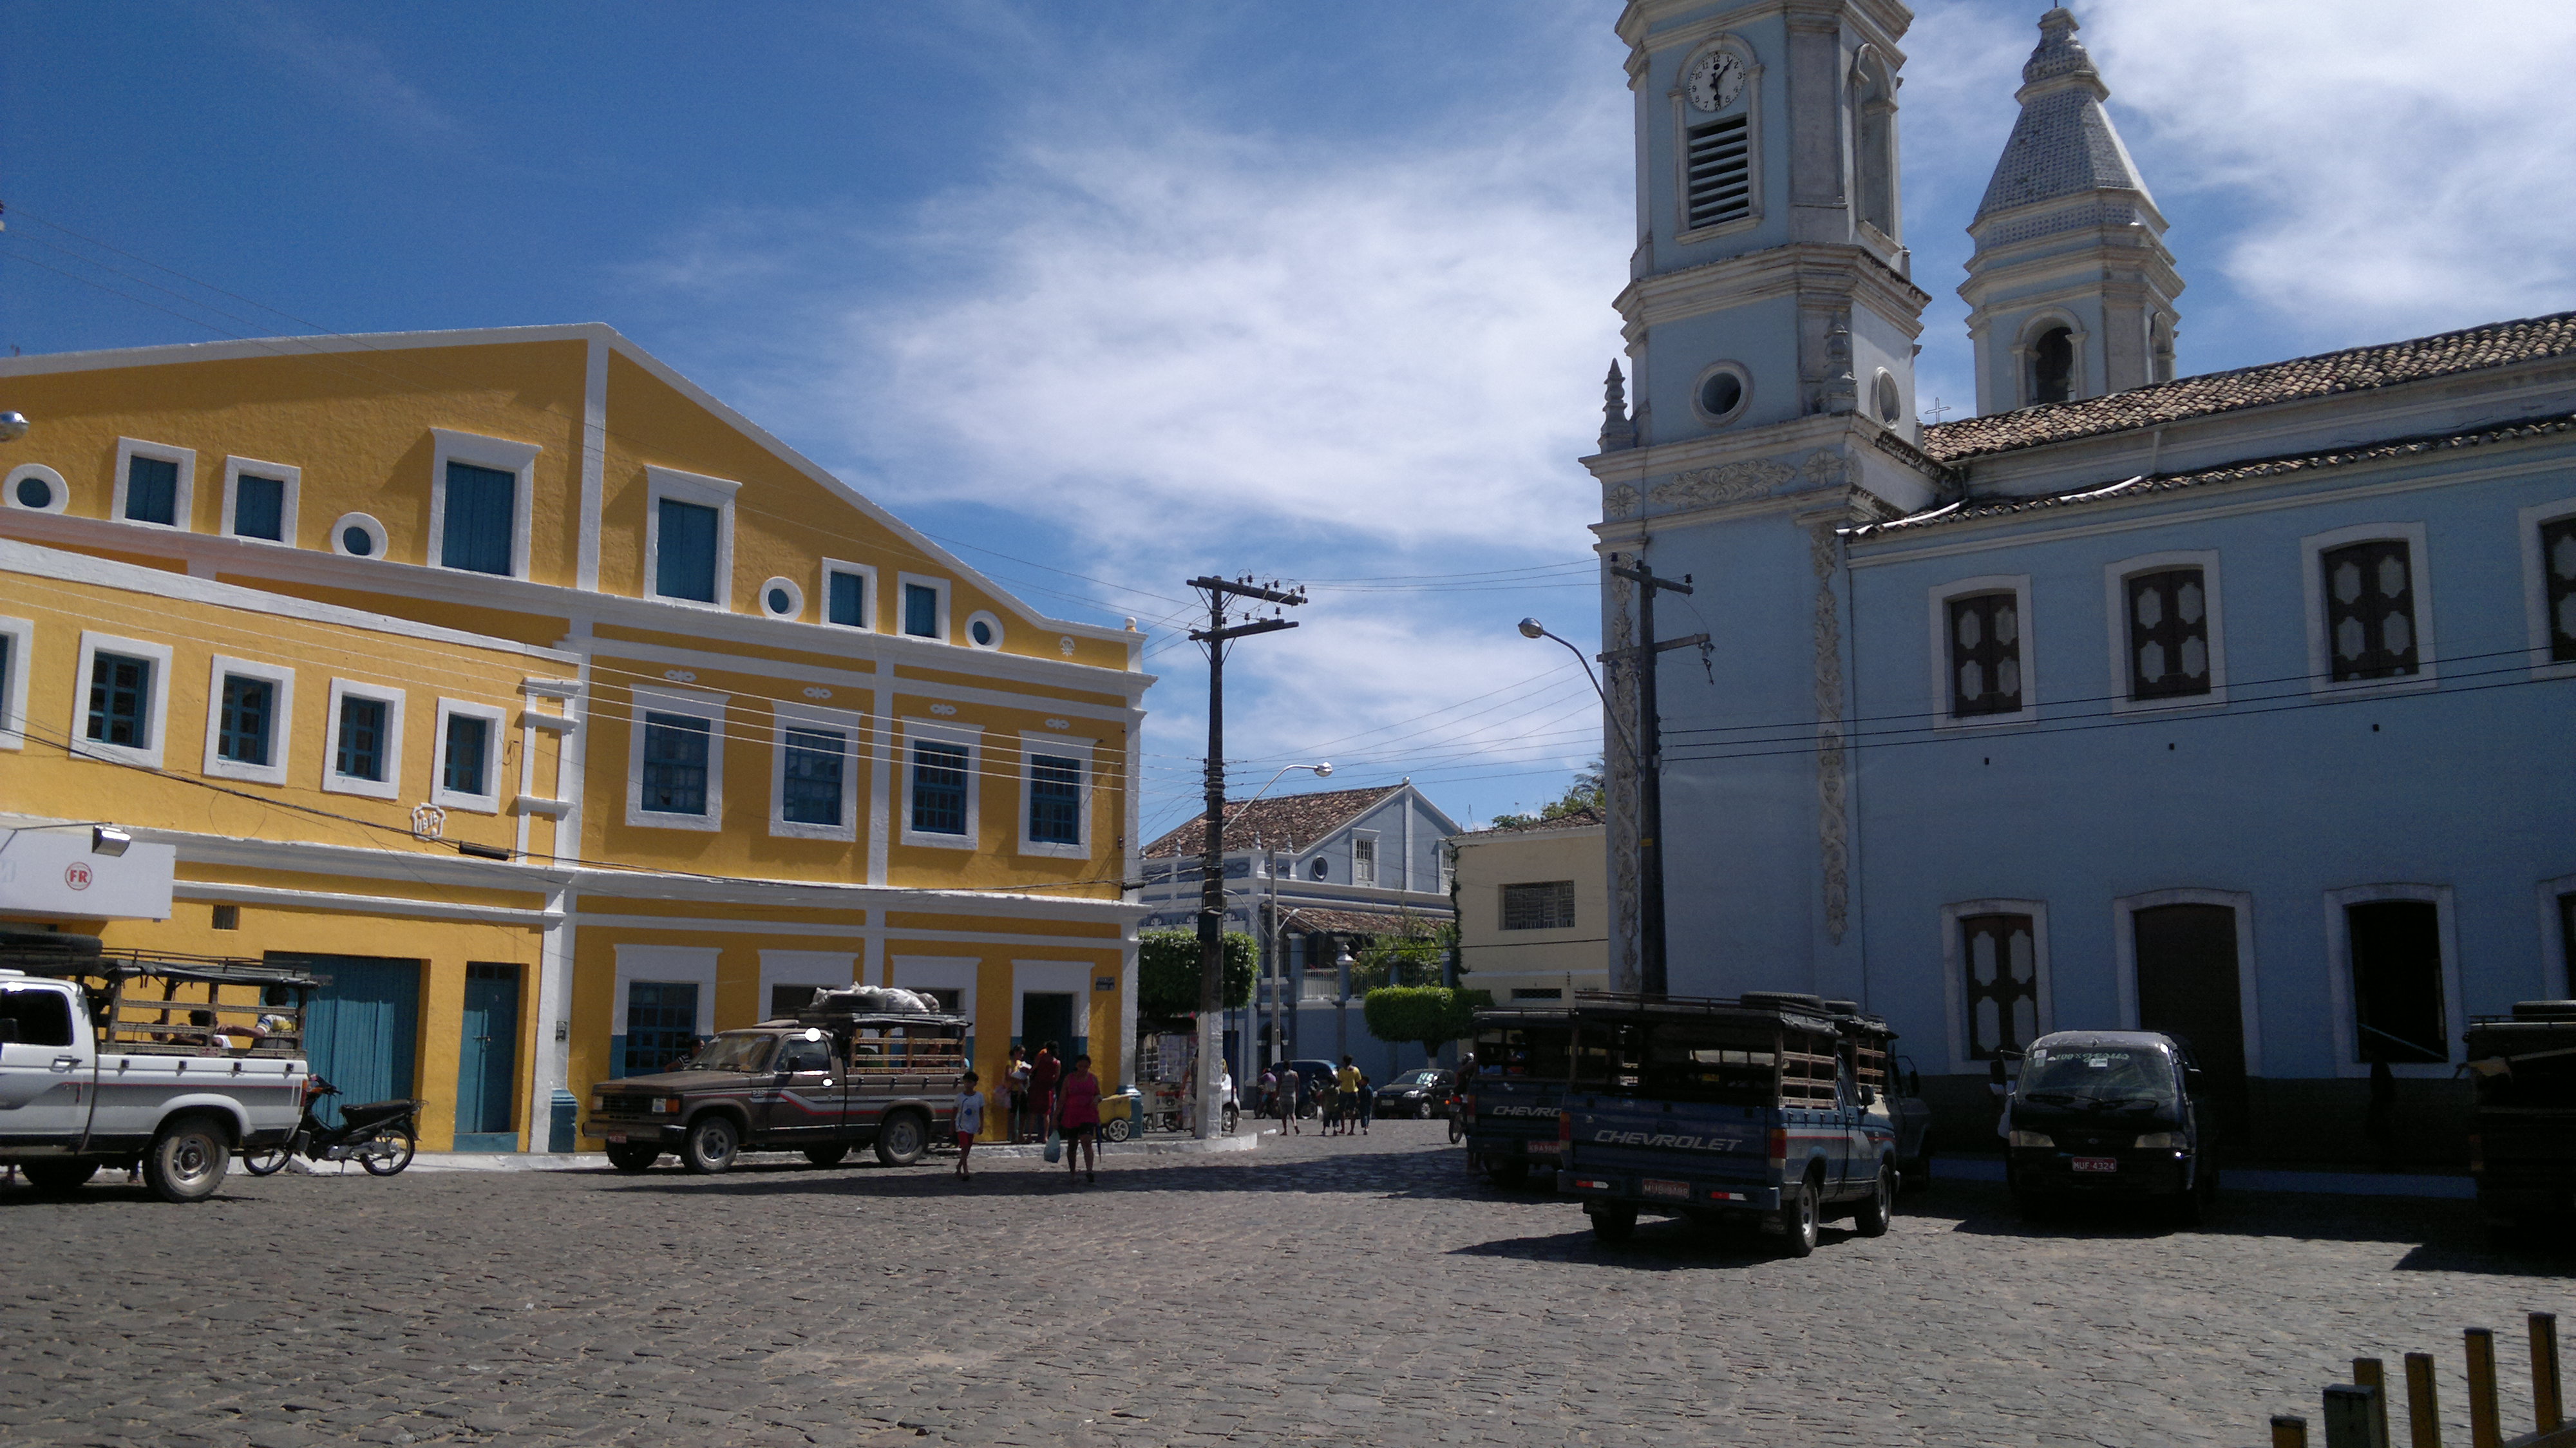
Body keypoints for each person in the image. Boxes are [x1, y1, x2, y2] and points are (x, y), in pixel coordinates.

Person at [1057, 1053, 1103, 1184]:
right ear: (1077, 1065)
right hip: (1071, 1115)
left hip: (1088, 1114)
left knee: (1087, 1141)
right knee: (1072, 1144)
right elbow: (1062, 1099)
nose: (1083, 1069)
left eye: (1086, 1067)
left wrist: (1097, 1099)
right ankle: (1072, 1172)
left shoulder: (1093, 1079)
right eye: (1081, 1066)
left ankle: (1089, 1170)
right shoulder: (1069, 1079)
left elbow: (1099, 1095)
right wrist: (1056, 1116)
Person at [952, 1071, 986, 1181]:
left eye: (970, 1082)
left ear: (975, 1084)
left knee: (968, 1149)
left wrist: (982, 1125)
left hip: (973, 1125)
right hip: (961, 1125)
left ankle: (959, 1166)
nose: (968, 1084)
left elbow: (981, 1111)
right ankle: (966, 1171)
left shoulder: (979, 1096)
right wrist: (952, 1125)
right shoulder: (960, 1097)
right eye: (966, 1082)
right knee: (964, 1146)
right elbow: (954, 1111)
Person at [1028, 1042, 1062, 1145]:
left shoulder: (1041, 1058)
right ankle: (1045, 1137)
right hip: (1048, 1088)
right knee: (1046, 1114)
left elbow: (1034, 1068)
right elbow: (1056, 1078)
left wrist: (1028, 1073)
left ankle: (1029, 1136)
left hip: (1037, 1086)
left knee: (1033, 1112)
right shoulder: (1057, 1063)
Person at [1005, 1044, 1032, 1142]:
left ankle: (1021, 1134)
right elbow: (1008, 1077)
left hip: (1023, 1091)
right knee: (1012, 1114)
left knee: (1023, 1114)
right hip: (1014, 1091)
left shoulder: (1021, 1064)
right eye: (1020, 1053)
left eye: (1023, 1054)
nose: (1022, 1056)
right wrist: (1019, 1081)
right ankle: (1013, 1136)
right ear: (1015, 1052)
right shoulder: (1010, 1063)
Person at [1336, 1056, 1363, 1138]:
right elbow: (1359, 1082)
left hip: (1344, 1091)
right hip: (1353, 1091)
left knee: (1342, 1110)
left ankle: (1343, 1128)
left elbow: (1339, 1081)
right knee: (1352, 1111)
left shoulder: (1342, 1070)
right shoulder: (1356, 1070)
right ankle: (1352, 1130)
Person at [1274, 1065, 1300, 1136]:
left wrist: (1276, 1097)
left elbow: (1278, 1086)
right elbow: (1297, 1085)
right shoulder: (1295, 1074)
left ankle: (1285, 1131)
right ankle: (1295, 1125)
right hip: (1292, 1096)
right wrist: (1297, 1095)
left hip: (1283, 1097)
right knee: (1292, 1114)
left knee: (1284, 1115)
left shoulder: (1282, 1074)